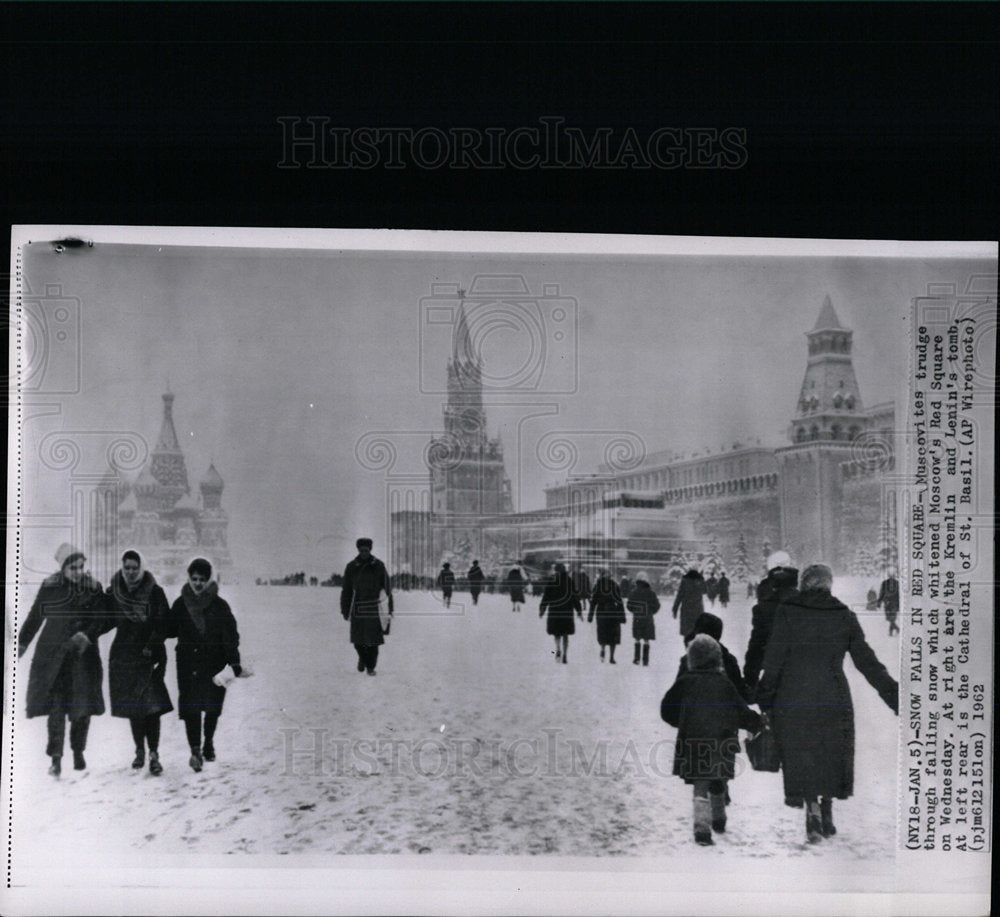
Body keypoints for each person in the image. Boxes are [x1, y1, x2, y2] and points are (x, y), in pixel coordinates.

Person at [756, 564, 899, 844]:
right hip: (833, 696)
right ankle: (828, 808)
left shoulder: (787, 612)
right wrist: (895, 696)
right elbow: (867, 662)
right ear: (829, 585)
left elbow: (773, 660)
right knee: (830, 753)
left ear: (803, 584)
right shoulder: (843, 615)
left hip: (793, 696)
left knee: (802, 755)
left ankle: (811, 808)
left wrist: (764, 697)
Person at [660, 635, 761, 846]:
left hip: (694, 740)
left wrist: (683, 721)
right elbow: (740, 711)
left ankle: (701, 828)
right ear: (717, 659)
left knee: (700, 782)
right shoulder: (724, 683)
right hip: (722, 740)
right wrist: (756, 723)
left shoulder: (685, 682)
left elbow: (667, 709)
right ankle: (719, 817)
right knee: (717, 779)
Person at [18, 544, 108, 777]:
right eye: (72, 567)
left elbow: (101, 619)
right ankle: (56, 758)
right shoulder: (50, 587)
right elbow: (35, 616)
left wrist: (87, 634)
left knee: (81, 709)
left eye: (81, 567)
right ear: (63, 567)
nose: (78, 571)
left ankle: (78, 751)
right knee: (56, 708)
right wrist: (21, 644)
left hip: (82, 656)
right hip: (53, 656)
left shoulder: (93, 588)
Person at [163, 558, 244, 772]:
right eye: (194, 579)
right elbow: (169, 630)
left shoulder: (220, 605)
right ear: (189, 578)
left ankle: (208, 741)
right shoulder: (181, 603)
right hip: (188, 664)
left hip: (214, 663)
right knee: (191, 708)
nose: (197, 583)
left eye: (202, 579)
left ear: (209, 580)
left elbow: (231, 636)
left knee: (212, 708)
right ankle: (195, 750)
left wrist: (234, 661)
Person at [103, 550, 173, 776]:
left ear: (141, 567)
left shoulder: (154, 591)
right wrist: (86, 632)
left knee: (151, 708)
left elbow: (164, 624)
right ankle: (139, 751)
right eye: (127, 568)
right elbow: (106, 620)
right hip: (124, 656)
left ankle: (154, 754)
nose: (131, 572)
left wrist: (152, 646)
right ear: (122, 569)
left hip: (148, 655)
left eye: (134, 567)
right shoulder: (115, 593)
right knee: (134, 708)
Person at [742, 550, 799, 692]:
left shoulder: (764, 604)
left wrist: (750, 677)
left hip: (772, 671)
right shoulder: (804, 601)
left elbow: (757, 643)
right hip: (802, 672)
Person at [341, 538, 393, 675]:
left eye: (366, 550)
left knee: (374, 641)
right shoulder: (352, 566)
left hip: (374, 607)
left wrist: (390, 608)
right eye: (361, 550)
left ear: (370, 550)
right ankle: (363, 658)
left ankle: (370, 667)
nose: (364, 552)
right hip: (358, 607)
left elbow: (388, 588)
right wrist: (345, 610)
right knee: (358, 641)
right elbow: (346, 590)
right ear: (358, 550)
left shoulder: (379, 566)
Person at [675, 612, 750, 701]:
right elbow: (741, 695)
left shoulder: (687, 661)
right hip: (722, 712)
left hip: (693, 713)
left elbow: (672, 703)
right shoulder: (728, 660)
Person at [539, 562, 582, 663]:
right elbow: (575, 597)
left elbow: (546, 596)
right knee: (566, 634)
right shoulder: (569, 581)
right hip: (567, 610)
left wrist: (542, 608)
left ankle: (558, 648)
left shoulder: (552, 581)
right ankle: (565, 654)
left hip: (555, 610)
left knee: (556, 633)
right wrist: (579, 610)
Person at [587, 571, 625, 663]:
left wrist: (590, 615)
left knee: (603, 632)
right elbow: (619, 602)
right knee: (613, 635)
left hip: (601, 611)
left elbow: (593, 602)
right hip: (613, 611)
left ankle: (603, 649)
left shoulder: (598, 586)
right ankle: (612, 657)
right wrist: (622, 616)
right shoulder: (615, 586)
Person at [627, 573, 660, 666]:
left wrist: (635, 611)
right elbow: (657, 605)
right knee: (646, 639)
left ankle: (636, 658)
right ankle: (645, 660)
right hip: (648, 618)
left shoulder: (634, 592)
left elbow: (629, 605)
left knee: (637, 638)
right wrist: (651, 611)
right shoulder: (651, 593)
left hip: (637, 617)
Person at [671, 567, 706, 638]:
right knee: (697, 630)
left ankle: (688, 646)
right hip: (698, 609)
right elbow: (705, 591)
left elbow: (679, 596)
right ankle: (695, 646)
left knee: (687, 631)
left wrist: (675, 608)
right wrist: (702, 579)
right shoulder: (699, 580)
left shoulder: (685, 581)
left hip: (686, 609)